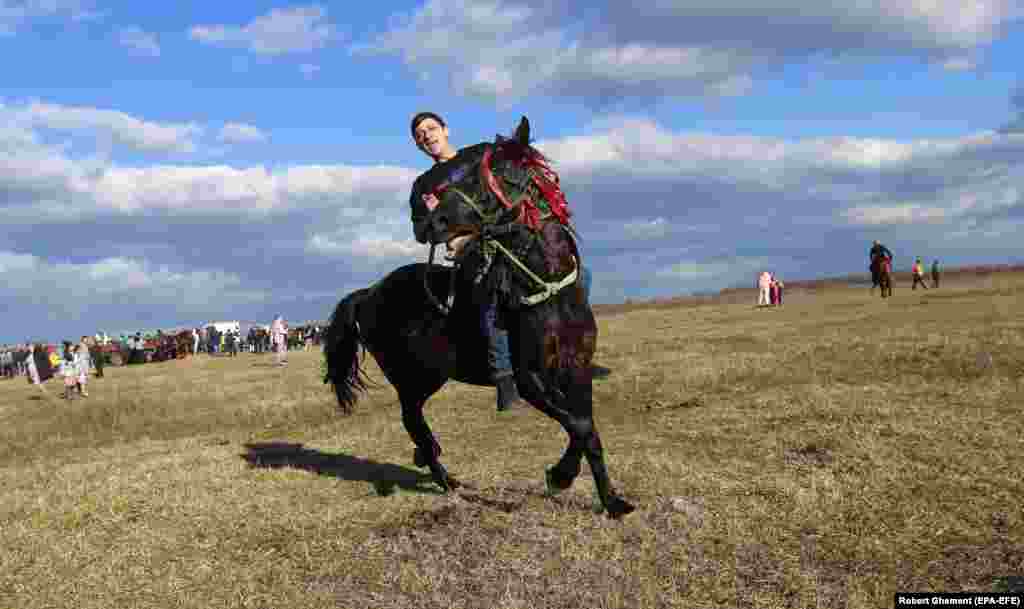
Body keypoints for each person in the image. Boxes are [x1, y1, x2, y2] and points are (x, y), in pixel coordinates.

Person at [408, 111, 526, 412]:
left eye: (431, 128)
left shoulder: (480, 153)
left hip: (510, 232)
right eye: (420, 135)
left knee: (578, 275)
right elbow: (422, 232)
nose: (427, 136)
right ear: (418, 145)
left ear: (446, 129)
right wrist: (440, 223)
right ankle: (505, 377)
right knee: (492, 292)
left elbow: (512, 164)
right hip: (471, 249)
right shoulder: (423, 186)